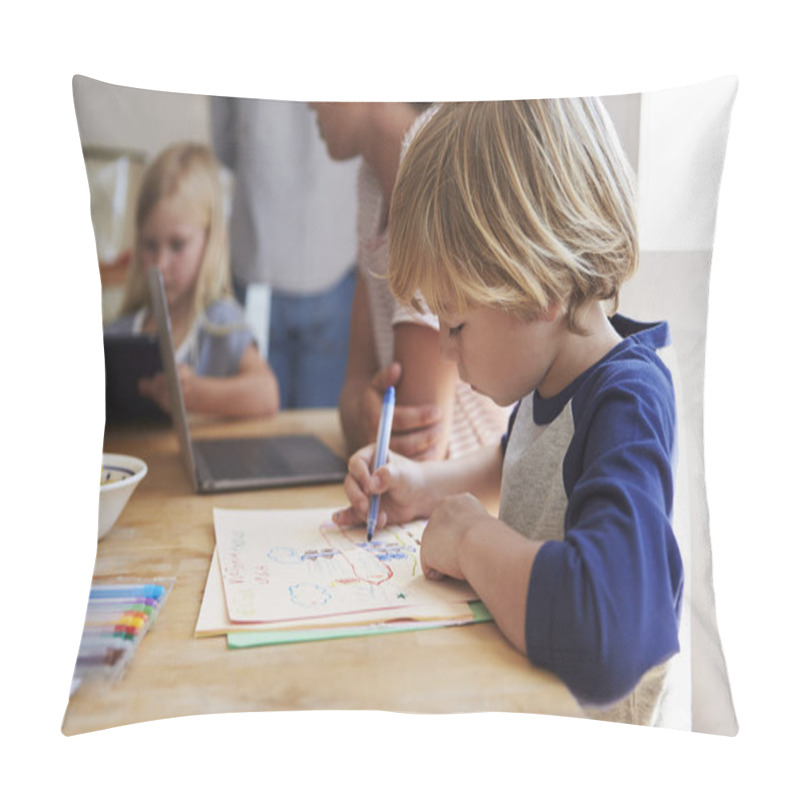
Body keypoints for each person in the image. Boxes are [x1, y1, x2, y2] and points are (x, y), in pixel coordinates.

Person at [334, 100, 684, 725]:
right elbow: (517, 463)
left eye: (456, 322)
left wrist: (472, 538)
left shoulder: (627, 402)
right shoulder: (553, 375)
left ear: (540, 285)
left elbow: (606, 634)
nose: (443, 347)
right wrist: (418, 489)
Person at [308, 102, 510, 461]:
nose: (305, 101)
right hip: (422, 496)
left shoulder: (439, 180)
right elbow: (354, 393)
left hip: (468, 496)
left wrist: (365, 422)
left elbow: (416, 452)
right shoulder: (372, 183)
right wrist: (361, 416)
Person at [105, 142, 279, 418]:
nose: (160, 265)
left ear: (211, 241)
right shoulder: (120, 336)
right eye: (150, 245)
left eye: (177, 245)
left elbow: (267, 394)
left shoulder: (222, 325)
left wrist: (195, 393)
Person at [211, 98, 359, 409]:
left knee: (255, 435)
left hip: (259, 258)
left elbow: (224, 142)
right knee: (322, 434)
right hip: (334, 253)